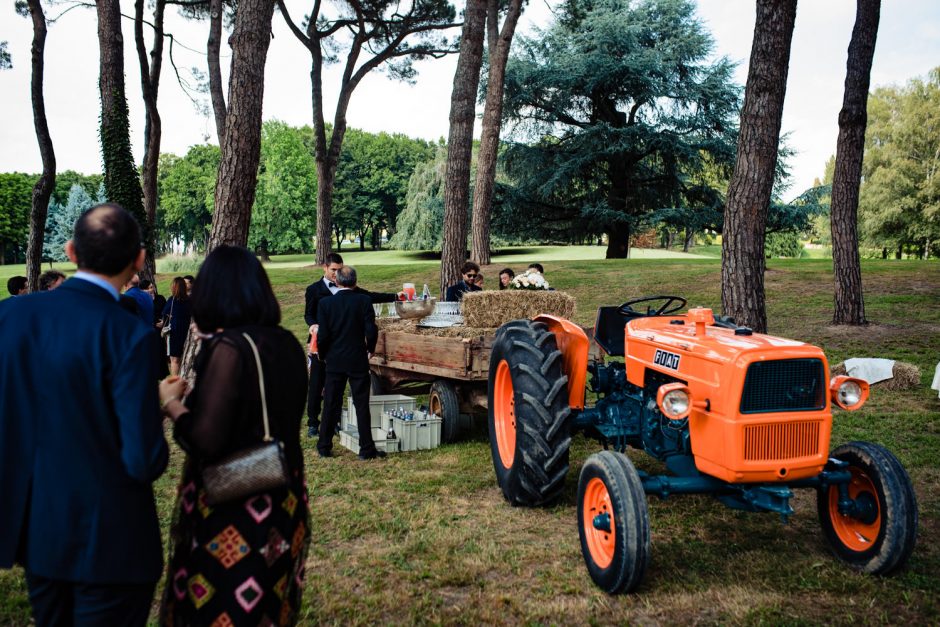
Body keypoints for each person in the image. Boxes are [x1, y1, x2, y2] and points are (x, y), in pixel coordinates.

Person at [0, 203, 168, 626]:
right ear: (140, 260)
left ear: (72, 251)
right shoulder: (130, 335)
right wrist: (161, 407)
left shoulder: (10, 316)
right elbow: (143, 459)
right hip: (112, 542)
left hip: (39, 534)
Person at [158, 245, 309, 625]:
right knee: (269, 606)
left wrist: (171, 404)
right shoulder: (287, 342)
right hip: (284, 493)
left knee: (222, 607)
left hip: (236, 506)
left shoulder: (227, 347)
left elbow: (205, 440)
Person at [303, 252, 398, 437]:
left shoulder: (351, 289)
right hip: (320, 343)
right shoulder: (313, 289)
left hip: (341, 346)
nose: (336, 273)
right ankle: (313, 422)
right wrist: (313, 325)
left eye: (339, 270)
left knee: (335, 388)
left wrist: (395, 296)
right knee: (316, 384)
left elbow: (370, 296)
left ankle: (335, 422)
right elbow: (308, 314)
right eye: (333, 270)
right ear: (325, 267)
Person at [316, 265, 384, 460]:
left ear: (337, 281)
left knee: (330, 403)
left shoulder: (326, 304)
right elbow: (371, 330)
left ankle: (324, 446)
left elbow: (323, 336)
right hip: (357, 358)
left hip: (335, 360)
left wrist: (323, 355)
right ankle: (366, 449)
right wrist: (370, 349)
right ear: (355, 282)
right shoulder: (363, 301)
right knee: (362, 404)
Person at [161, 277, 192, 376]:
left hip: (175, 331)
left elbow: (165, 313)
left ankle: (175, 382)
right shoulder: (190, 300)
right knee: (184, 357)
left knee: (174, 360)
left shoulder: (172, 300)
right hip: (187, 330)